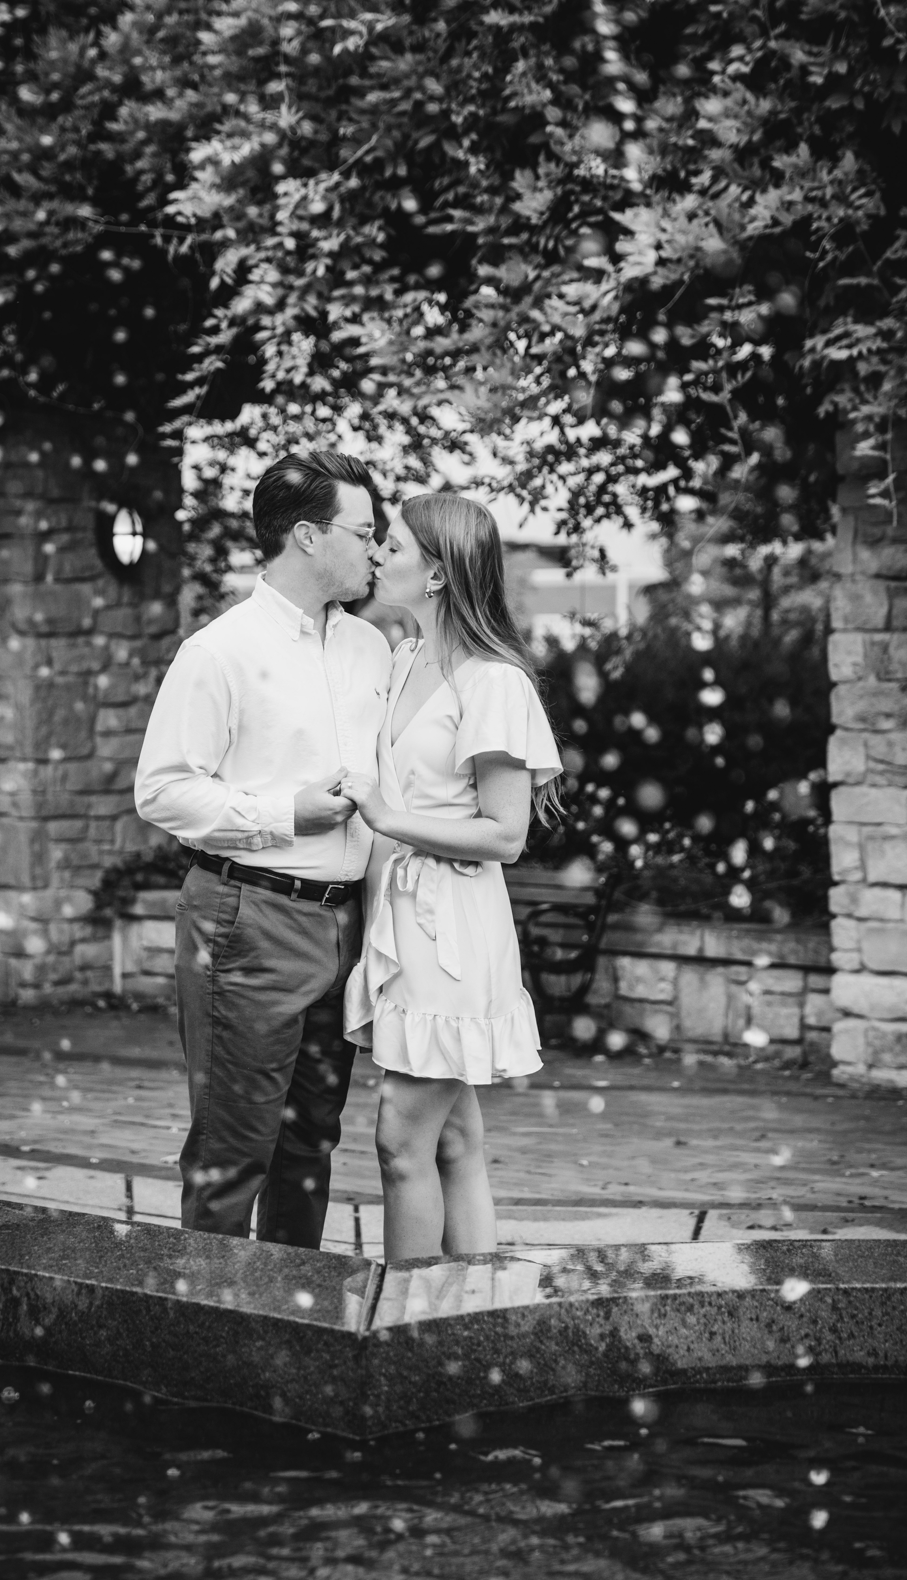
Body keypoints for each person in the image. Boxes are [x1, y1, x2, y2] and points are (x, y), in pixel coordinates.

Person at [134, 451, 391, 1247]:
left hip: (345, 922)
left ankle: (292, 1327)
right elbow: (164, 790)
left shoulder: (371, 649)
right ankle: (204, 1340)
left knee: (310, 1144)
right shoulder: (219, 651)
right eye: (364, 531)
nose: (377, 549)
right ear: (309, 537)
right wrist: (285, 813)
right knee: (232, 1148)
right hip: (249, 918)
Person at [340, 493, 562, 1262]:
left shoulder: (492, 682)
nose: (375, 554)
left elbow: (504, 834)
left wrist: (384, 817)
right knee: (455, 1138)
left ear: (435, 573)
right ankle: (475, 1312)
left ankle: (405, 1329)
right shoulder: (403, 659)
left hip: (451, 931)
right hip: (395, 916)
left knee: (400, 1139)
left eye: (391, 545)